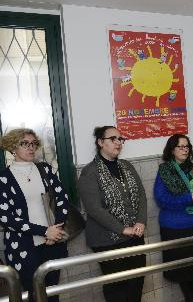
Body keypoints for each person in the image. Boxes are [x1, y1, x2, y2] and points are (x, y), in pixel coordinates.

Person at [78, 126, 147, 302]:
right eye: (113, 139)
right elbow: (94, 209)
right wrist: (123, 229)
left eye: (120, 139)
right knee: (117, 287)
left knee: (137, 282)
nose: (118, 143)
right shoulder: (90, 172)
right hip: (107, 239)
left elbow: (141, 195)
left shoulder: (127, 166)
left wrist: (140, 222)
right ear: (100, 142)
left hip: (134, 235)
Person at [0, 128, 69, 302]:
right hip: (23, 247)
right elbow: (6, 218)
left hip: (53, 242)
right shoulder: (3, 179)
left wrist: (56, 230)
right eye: (25, 143)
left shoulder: (44, 169)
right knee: (34, 294)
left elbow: (62, 198)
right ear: (12, 147)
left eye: (34, 143)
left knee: (53, 293)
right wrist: (45, 231)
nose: (31, 147)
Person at [154, 134, 193, 302]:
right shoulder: (165, 170)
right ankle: (191, 298)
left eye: (187, 146)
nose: (185, 150)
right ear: (172, 150)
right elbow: (161, 199)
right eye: (181, 147)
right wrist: (188, 198)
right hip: (176, 229)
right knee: (184, 271)